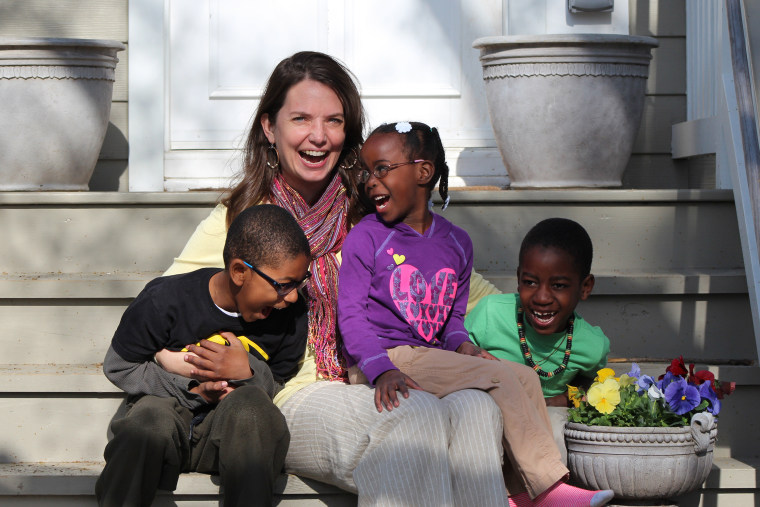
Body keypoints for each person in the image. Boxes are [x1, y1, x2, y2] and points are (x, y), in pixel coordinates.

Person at [162, 51, 512, 506]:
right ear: (270, 128)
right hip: (296, 389)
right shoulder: (241, 222)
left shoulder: (371, 212)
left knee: (476, 406)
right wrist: (209, 366)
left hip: (377, 374)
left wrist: (531, 328)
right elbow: (163, 312)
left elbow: (460, 284)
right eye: (301, 118)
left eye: (334, 121)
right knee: (414, 414)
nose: (318, 136)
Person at [338, 121, 614, 507]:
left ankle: (518, 493)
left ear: (423, 171)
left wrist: (463, 345)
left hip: (434, 358)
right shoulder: (366, 237)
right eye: (366, 171)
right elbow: (350, 314)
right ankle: (550, 489)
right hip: (388, 360)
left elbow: (450, 320)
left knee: (524, 377)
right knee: (500, 375)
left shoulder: (457, 243)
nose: (370, 181)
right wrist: (379, 367)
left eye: (381, 168)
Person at [95, 204, 311, 507]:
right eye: (283, 285)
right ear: (239, 272)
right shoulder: (165, 300)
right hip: (165, 431)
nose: (291, 296)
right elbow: (120, 367)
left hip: (235, 441)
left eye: (299, 282)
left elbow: (278, 382)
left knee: (252, 408)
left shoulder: (290, 315)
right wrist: (192, 387)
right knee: (147, 419)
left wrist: (246, 372)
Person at [466, 218, 610, 407]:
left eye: (558, 285)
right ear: (519, 278)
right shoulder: (490, 314)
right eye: (530, 282)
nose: (542, 298)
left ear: (585, 287)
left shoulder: (592, 345)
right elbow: (458, 353)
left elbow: (589, 380)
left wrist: (560, 400)